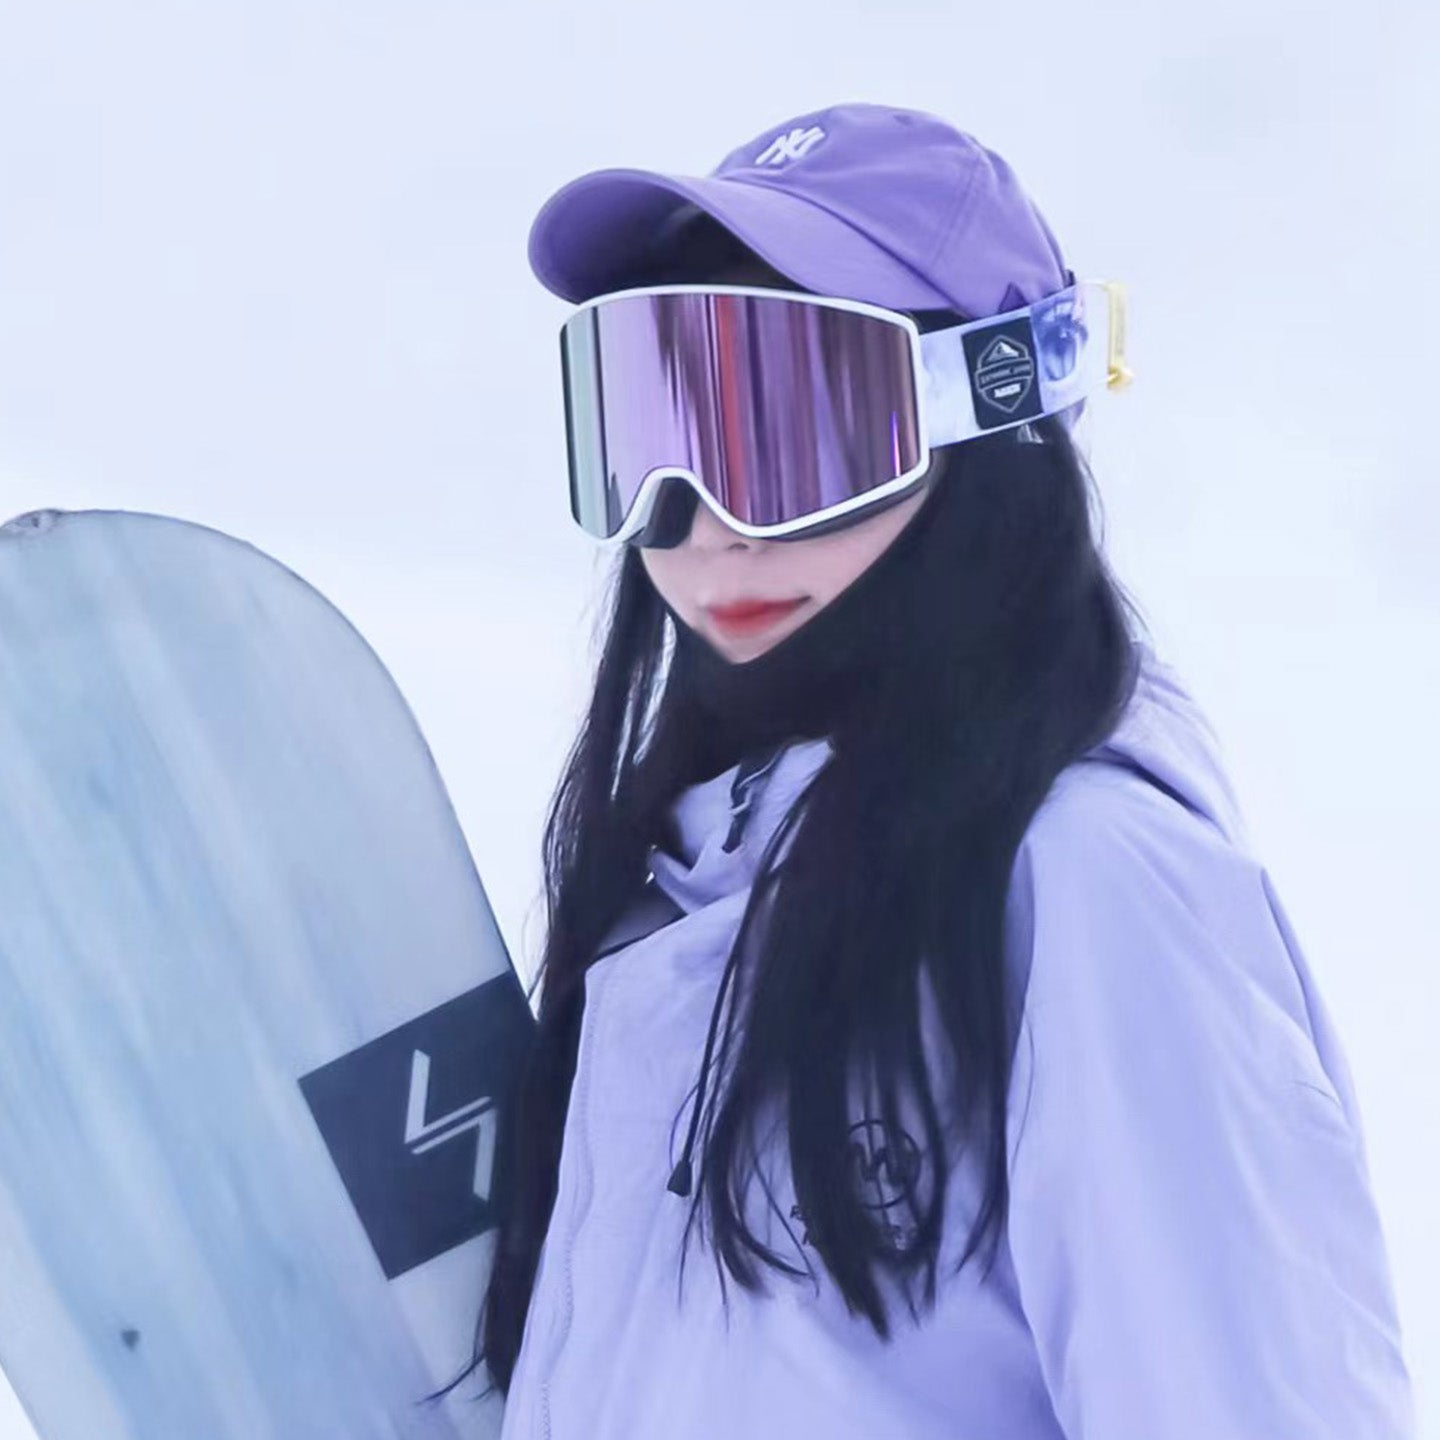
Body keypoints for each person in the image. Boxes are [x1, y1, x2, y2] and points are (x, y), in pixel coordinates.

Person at [474, 103, 1417, 1438]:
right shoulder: (672, 908)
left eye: (791, 435)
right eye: (652, 428)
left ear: (986, 420)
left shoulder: (1091, 885)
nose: (708, 528)